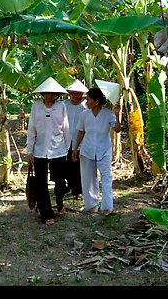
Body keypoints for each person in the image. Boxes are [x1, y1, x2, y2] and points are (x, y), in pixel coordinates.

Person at [26, 77, 71, 226]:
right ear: (42, 94)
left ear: (56, 94)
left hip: (58, 149)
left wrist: (67, 148)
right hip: (40, 150)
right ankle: (46, 213)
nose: (49, 96)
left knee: (59, 180)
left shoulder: (61, 106)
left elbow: (66, 129)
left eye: (52, 93)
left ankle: (59, 203)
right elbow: (31, 129)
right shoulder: (36, 106)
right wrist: (29, 151)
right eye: (47, 93)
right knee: (41, 183)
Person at [72, 87, 121, 215]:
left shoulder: (108, 114)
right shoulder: (84, 114)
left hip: (104, 149)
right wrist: (76, 148)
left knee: (106, 177)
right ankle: (91, 205)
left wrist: (117, 114)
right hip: (87, 149)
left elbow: (117, 129)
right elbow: (81, 132)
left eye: (88, 99)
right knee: (88, 178)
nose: (86, 102)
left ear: (96, 101)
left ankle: (107, 206)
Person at [62, 79, 88, 199]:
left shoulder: (85, 106)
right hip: (65, 138)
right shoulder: (64, 105)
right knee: (67, 164)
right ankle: (70, 185)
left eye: (78, 93)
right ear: (69, 93)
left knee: (78, 165)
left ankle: (79, 190)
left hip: (81, 139)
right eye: (73, 93)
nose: (75, 96)